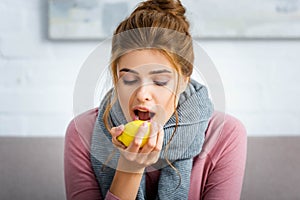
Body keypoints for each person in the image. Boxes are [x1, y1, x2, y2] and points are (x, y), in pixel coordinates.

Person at [64, 0, 247, 199]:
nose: (142, 94)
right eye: (130, 79)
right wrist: (129, 169)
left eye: (160, 81)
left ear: (184, 81)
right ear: (116, 78)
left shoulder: (225, 134)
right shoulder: (83, 132)